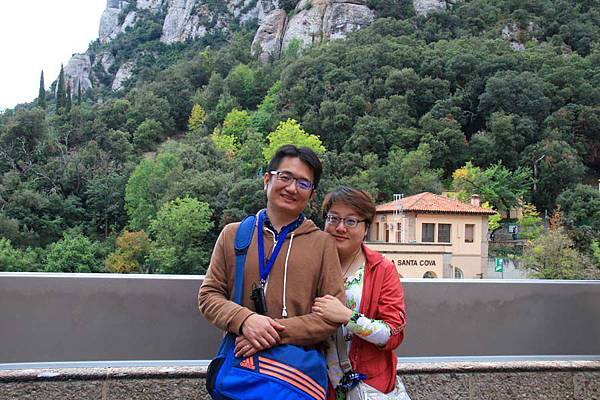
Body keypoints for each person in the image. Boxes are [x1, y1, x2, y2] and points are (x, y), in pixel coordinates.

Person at [198, 145, 345, 359]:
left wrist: (271, 333)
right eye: (285, 177)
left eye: (303, 183)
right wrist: (245, 320)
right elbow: (209, 296)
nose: (292, 188)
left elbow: (331, 316)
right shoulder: (234, 234)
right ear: (267, 179)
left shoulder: (322, 244)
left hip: (295, 369)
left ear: (312, 194)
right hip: (241, 365)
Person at [313, 187, 408, 399]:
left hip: (367, 386)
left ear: (366, 228)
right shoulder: (310, 264)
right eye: (333, 218)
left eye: (351, 221)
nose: (340, 228)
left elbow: (392, 333)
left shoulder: (382, 269)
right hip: (316, 385)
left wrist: (347, 317)